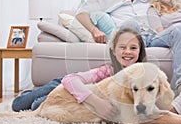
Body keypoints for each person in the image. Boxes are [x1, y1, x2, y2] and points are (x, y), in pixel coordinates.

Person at [76, 0, 181, 93]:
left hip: (152, 37)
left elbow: (175, 1)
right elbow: (81, 13)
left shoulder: (149, 1)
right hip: (129, 35)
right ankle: (136, 84)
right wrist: (95, 31)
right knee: (133, 24)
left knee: (180, 29)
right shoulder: (111, 1)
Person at [12, 27, 146, 119]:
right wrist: (97, 102)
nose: (127, 51)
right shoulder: (108, 71)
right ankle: (30, 92)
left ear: (140, 52)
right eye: (122, 47)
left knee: (38, 106)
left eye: (133, 48)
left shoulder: (143, 76)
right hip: (64, 85)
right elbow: (71, 80)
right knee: (20, 105)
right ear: (114, 51)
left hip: (74, 98)